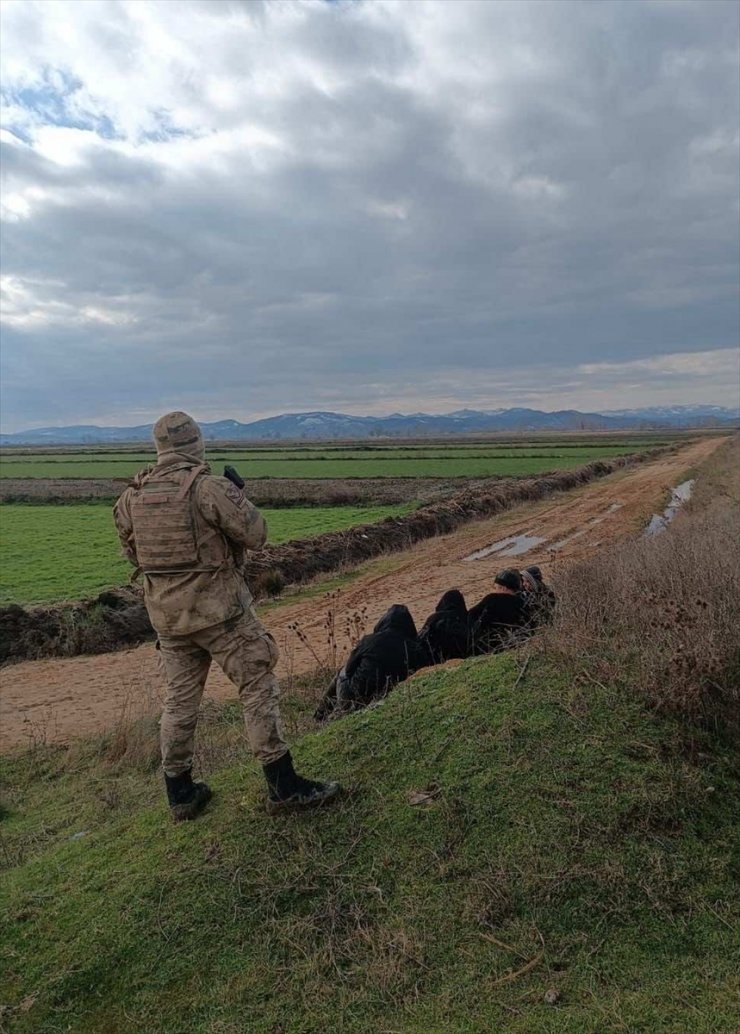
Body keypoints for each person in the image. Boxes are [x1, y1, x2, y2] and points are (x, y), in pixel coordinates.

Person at [114, 411, 339, 821]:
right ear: (196, 443)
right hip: (221, 614)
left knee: (179, 701)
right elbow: (256, 534)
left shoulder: (132, 496)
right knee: (257, 685)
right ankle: (282, 786)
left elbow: (132, 553)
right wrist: (239, 496)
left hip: (168, 619)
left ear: (159, 448)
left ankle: (180, 793)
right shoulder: (207, 487)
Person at [315, 604, 427, 720]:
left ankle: (321, 714)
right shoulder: (414, 647)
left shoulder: (369, 640)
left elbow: (348, 670)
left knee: (341, 672)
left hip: (356, 695)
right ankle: (335, 713)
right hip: (390, 695)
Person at [468, 568, 527, 655]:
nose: (495, 590)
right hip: (515, 643)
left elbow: (472, 614)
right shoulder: (523, 602)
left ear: (503, 588)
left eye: (496, 588)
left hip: (486, 646)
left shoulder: (493, 599)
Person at [418, 589, 471, 663]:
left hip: (434, 659)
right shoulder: (467, 618)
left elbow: (421, 639)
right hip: (464, 656)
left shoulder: (434, 618)